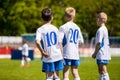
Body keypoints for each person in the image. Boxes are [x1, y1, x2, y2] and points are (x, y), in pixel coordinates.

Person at [35, 8, 63, 80]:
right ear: (52, 18)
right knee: (56, 76)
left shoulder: (40, 29)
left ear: (41, 18)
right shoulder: (56, 28)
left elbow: (37, 42)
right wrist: (62, 55)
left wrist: (42, 52)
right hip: (58, 55)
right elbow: (60, 43)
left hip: (48, 55)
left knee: (49, 76)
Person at [59, 7, 84, 80]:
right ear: (74, 16)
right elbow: (81, 42)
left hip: (66, 53)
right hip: (75, 53)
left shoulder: (63, 27)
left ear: (65, 16)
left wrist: (61, 53)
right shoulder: (77, 27)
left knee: (66, 72)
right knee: (75, 71)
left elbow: (59, 41)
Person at [92, 12, 111, 80]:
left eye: (97, 18)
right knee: (101, 71)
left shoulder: (101, 30)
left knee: (103, 70)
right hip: (104, 53)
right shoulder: (105, 29)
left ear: (100, 19)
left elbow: (99, 43)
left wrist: (95, 53)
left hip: (102, 53)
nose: (96, 19)